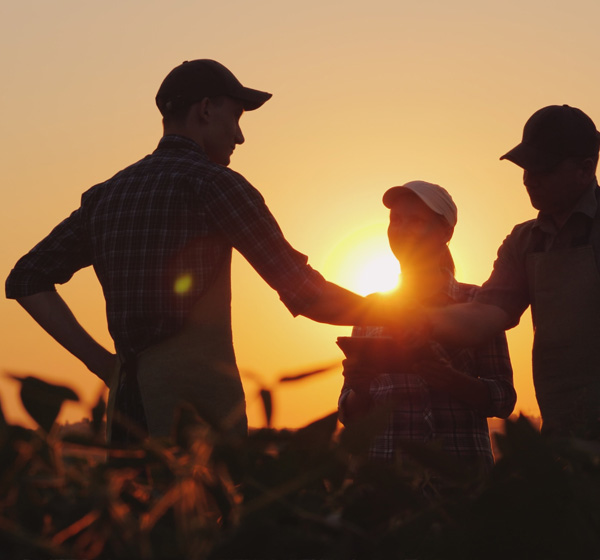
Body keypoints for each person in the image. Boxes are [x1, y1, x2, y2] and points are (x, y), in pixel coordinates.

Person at [5, 59, 379, 443]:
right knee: (205, 504)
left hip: (126, 418)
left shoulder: (106, 196)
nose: (239, 136)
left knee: (131, 504)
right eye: (235, 117)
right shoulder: (215, 185)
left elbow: (26, 278)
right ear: (204, 110)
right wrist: (397, 316)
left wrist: (103, 364)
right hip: (199, 426)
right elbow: (306, 293)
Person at [423, 105, 600, 438]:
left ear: (586, 169)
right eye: (525, 166)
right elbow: (486, 314)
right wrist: (411, 318)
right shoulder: (524, 242)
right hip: (564, 440)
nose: (530, 179)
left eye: (544, 168)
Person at [338, 181, 515, 470]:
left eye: (416, 220)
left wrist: (451, 380)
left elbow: (503, 399)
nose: (403, 229)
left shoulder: (477, 303)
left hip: (460, 478)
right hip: (386, 479)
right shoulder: (370, 309)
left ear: (446, 232)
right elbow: (349, 412)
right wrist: (361, 387)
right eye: (396, 220)